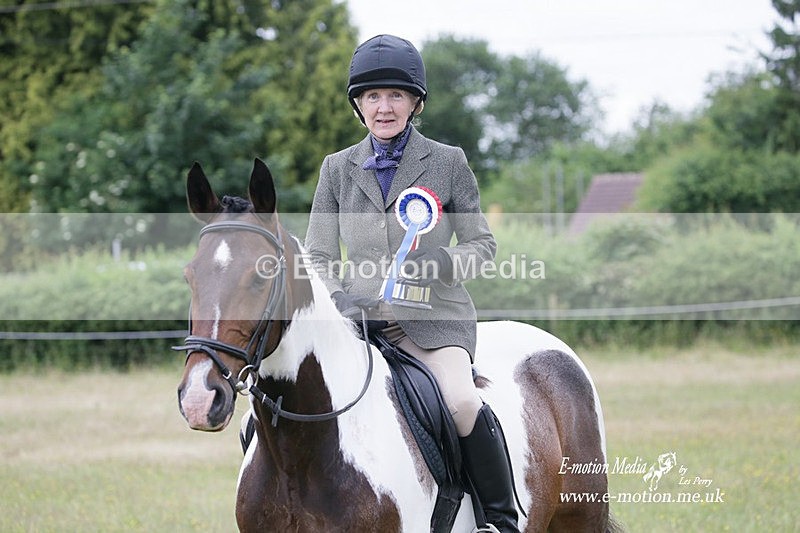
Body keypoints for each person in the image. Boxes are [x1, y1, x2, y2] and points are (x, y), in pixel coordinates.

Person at [304, 34, 519, 533]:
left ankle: (498, 519)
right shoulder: (336, 169)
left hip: (433, 323)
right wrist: (340, 301)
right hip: (357, 326)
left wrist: (436, 264)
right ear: (358, 104)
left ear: (415, 102)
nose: (384, 107)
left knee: (463, 401)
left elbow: (482, 246)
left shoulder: (447, 162)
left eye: (396, 95)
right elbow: (317, 254)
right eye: (373, 96)